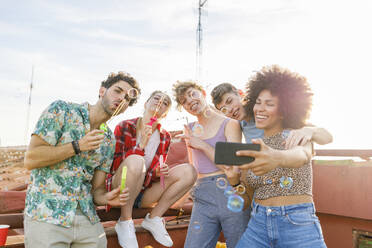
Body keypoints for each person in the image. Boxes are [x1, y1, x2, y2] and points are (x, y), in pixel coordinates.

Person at [23, 71, 139, 248]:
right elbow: (31, 159)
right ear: (102, 90)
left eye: (127, 99)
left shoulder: (108, 140)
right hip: (46, 214)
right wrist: (77, 146)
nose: (122, 98)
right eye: (117, 90)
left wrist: (107, 198)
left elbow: (97, 190)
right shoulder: (62, 110)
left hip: (87, 219)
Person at [234, 65, 327, 247]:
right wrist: (233, 181)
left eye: (269, 104)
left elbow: (301, 154)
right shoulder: (254, 147)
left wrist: (277, 157)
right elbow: (245, 201)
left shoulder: (297, 133)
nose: (259, 109)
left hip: (298, 224)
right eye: (258, 102)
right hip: (257, 225)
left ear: (285, 110)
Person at [106, 90, 197, 248]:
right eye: (156, 98)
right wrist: (140, 146)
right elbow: (115, 166)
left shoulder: (165, 137)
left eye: (166, 103)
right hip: (119, 190)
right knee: (135, 160)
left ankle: (154, 218)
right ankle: (125, 221)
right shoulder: (125, 126)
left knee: (189, 171)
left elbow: (152, 175)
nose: (160, 102)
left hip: (143, 193)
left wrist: (156, 173)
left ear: (165, 114)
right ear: (145, 103)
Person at [173, 81, 250, 248]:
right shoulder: (189, 128)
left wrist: (202, 145)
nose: (190, 101)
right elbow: (193, 168)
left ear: (202, 93)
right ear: (184, 108)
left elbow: (232, 167)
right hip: (203, 196)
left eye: (193, 94)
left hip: (231, 192)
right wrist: (181, 197)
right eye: (184, 101)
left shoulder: (230, 123)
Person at [211, 82, 333, 146]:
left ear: (241, 93)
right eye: (224, 110)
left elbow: (327, 138)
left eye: (230, 101)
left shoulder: (269, 112)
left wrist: (308, 131)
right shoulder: (239, 124)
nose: (230, 110)